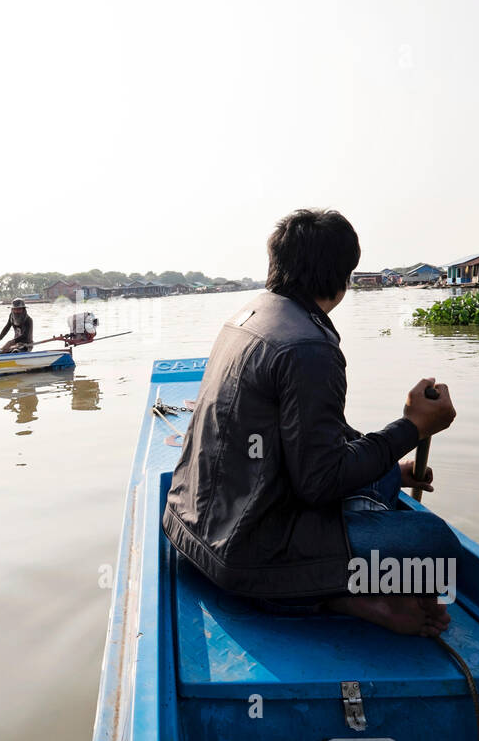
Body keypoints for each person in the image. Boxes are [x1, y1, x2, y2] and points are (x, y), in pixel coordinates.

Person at [162, 209, 460, 638]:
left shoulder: (252, 314)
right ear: (344, 277)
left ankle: (329, 578)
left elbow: (306, 445)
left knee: (383, 481)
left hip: (189, 533)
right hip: (245, 558)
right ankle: (329, 595)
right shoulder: (308, 347)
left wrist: (391, 467)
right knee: (438, 551)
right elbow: (320, 483)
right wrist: (413, 427)